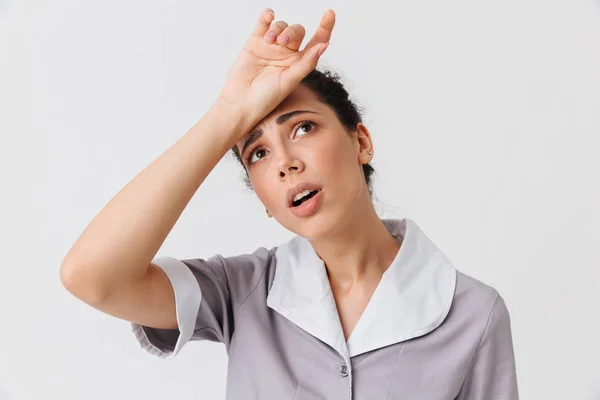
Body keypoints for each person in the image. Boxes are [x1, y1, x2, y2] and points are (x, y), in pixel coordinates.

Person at [60, 8, 519, 399]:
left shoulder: (473, 315)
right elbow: (92, 276)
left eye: (302, 128)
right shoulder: (241, 292)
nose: (284, 163)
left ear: (361, 141)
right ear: (263, 200)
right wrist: (227, 114)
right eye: (257, 153)